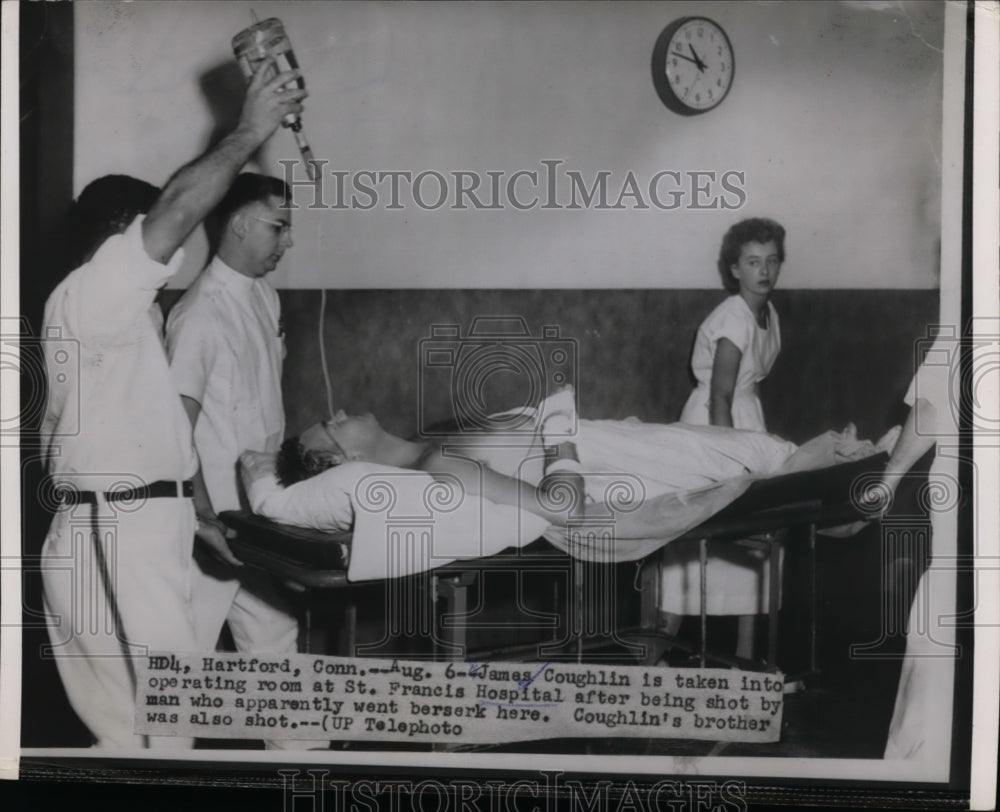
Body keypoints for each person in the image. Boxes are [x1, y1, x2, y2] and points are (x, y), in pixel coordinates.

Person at [39, 59, 307, 749]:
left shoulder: (131, 319)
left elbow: (156, 438)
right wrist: (249, 128)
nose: (181, 238)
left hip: (138, 520)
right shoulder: (93, 295)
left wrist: (197, 515)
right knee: (160, 734)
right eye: (156, 226)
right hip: (114, 526)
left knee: (150, 736)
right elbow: (179, 209)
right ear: (121, 235)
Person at [164, 175, 304, 729]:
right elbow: (177, 431)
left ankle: (297, 779)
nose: (287, 241)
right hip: (211, 525)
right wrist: (201, 519)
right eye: (279, 226)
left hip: (256, 524)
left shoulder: (265, 299)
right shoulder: (198, 314)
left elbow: (265, 419)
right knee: (183, 672)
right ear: (240, 224)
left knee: (276, 642)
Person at [274, 397, 803, 527]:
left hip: (622, 443)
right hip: (633, 471)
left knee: (785, 454)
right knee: (781, 460)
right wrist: (558, 428)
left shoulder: (428, 444)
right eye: (333, 422)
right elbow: (563, 507)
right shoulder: (438, 468)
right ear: (346, 459)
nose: (340, 411)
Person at [663, 217, 787, 660]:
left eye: (771, 261)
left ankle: (746, 666)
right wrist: (728, 461)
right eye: (753, 262)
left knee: (753, 554)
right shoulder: (735, 315)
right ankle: (650, 665)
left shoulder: (766, 313)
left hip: (746, 419)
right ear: (735, 269)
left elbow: (742, 389)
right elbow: (720, 394)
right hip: (716, 425)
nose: (764, 271)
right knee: (694, 552)